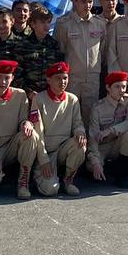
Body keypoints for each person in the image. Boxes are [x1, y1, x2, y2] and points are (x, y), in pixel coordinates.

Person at [0, 60, 39, 199]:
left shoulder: (20, 95)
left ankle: (23, 181)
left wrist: (27, 123)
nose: (3, 81)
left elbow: (22, 120)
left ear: (12, 78)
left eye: (7, 77)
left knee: (31, 134)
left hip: (11, 145)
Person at [54, 0, 108, 123]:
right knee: (69, 113)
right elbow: (61, 49)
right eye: (83, 1)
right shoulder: (64, 24)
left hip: (92, 78)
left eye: (90, 1)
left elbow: (102, 49)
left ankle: (89, 144)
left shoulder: (100, 23)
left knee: (90, 115)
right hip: (72, 78)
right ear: (74, 1)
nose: (88, 5)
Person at [33, 62, 88, 197]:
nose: (62, 82)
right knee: (51, 190)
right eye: (58, 78)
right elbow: (37, 132)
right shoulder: (39, 99)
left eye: (65, 78)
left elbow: (77, 123)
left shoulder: (72, 99)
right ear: (48, 80)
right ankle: (38, 177)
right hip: (45, 151)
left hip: (63, 149)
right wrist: (43, 159)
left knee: (80, 144)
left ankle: (68, 179)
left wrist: (80, 132)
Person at [86, 68, 128, 186]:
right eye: (117, 87)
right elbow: (93, 136)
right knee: (91, 166)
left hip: (117, 143)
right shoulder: (98, 107)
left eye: (124, 87)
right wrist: (95, 162)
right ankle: (104, 167)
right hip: (102, 146)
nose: (121, 90)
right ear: (108, 88)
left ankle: (122, 174)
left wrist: (110, 130)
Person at [18, 4, 62, 94]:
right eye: (42, 22)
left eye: (48, 22)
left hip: (49, 93)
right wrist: (28, 91)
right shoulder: (23, 45)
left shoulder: (54, 44)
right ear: (33, 24)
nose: (46, 25)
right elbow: (17, 73)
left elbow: (58, 70)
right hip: (28, 94)